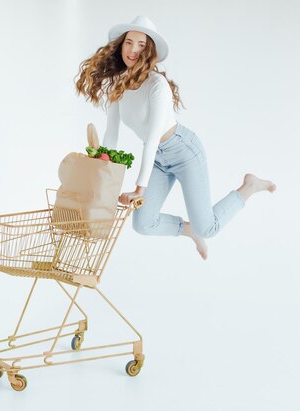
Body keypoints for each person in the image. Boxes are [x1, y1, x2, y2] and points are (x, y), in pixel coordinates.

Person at [74, 16, 276, 260]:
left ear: (149, 50)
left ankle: (250, 186)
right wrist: (101, 171)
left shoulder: (157, 85)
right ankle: (188, 230)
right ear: (121, 46)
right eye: (129, 42)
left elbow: (151, 138)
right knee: (143, 224)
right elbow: (111, 134)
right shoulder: (119, 83)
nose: (133, 50)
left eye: (141, 44)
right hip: (159, 158)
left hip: (184, 151)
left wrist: (140, 188)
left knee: (208, 228)